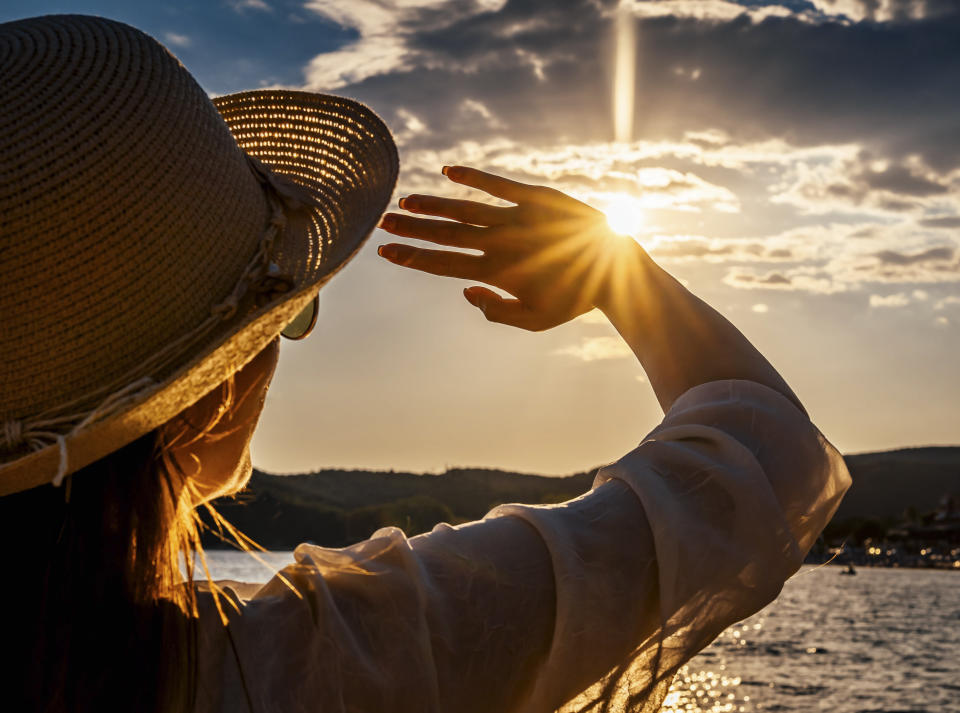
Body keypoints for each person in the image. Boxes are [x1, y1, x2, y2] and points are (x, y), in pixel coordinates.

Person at [0, 14, 851, 713]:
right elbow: (767, 464)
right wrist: (620, 277)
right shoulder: (321, 665)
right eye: (285, 311)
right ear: (205, 390)